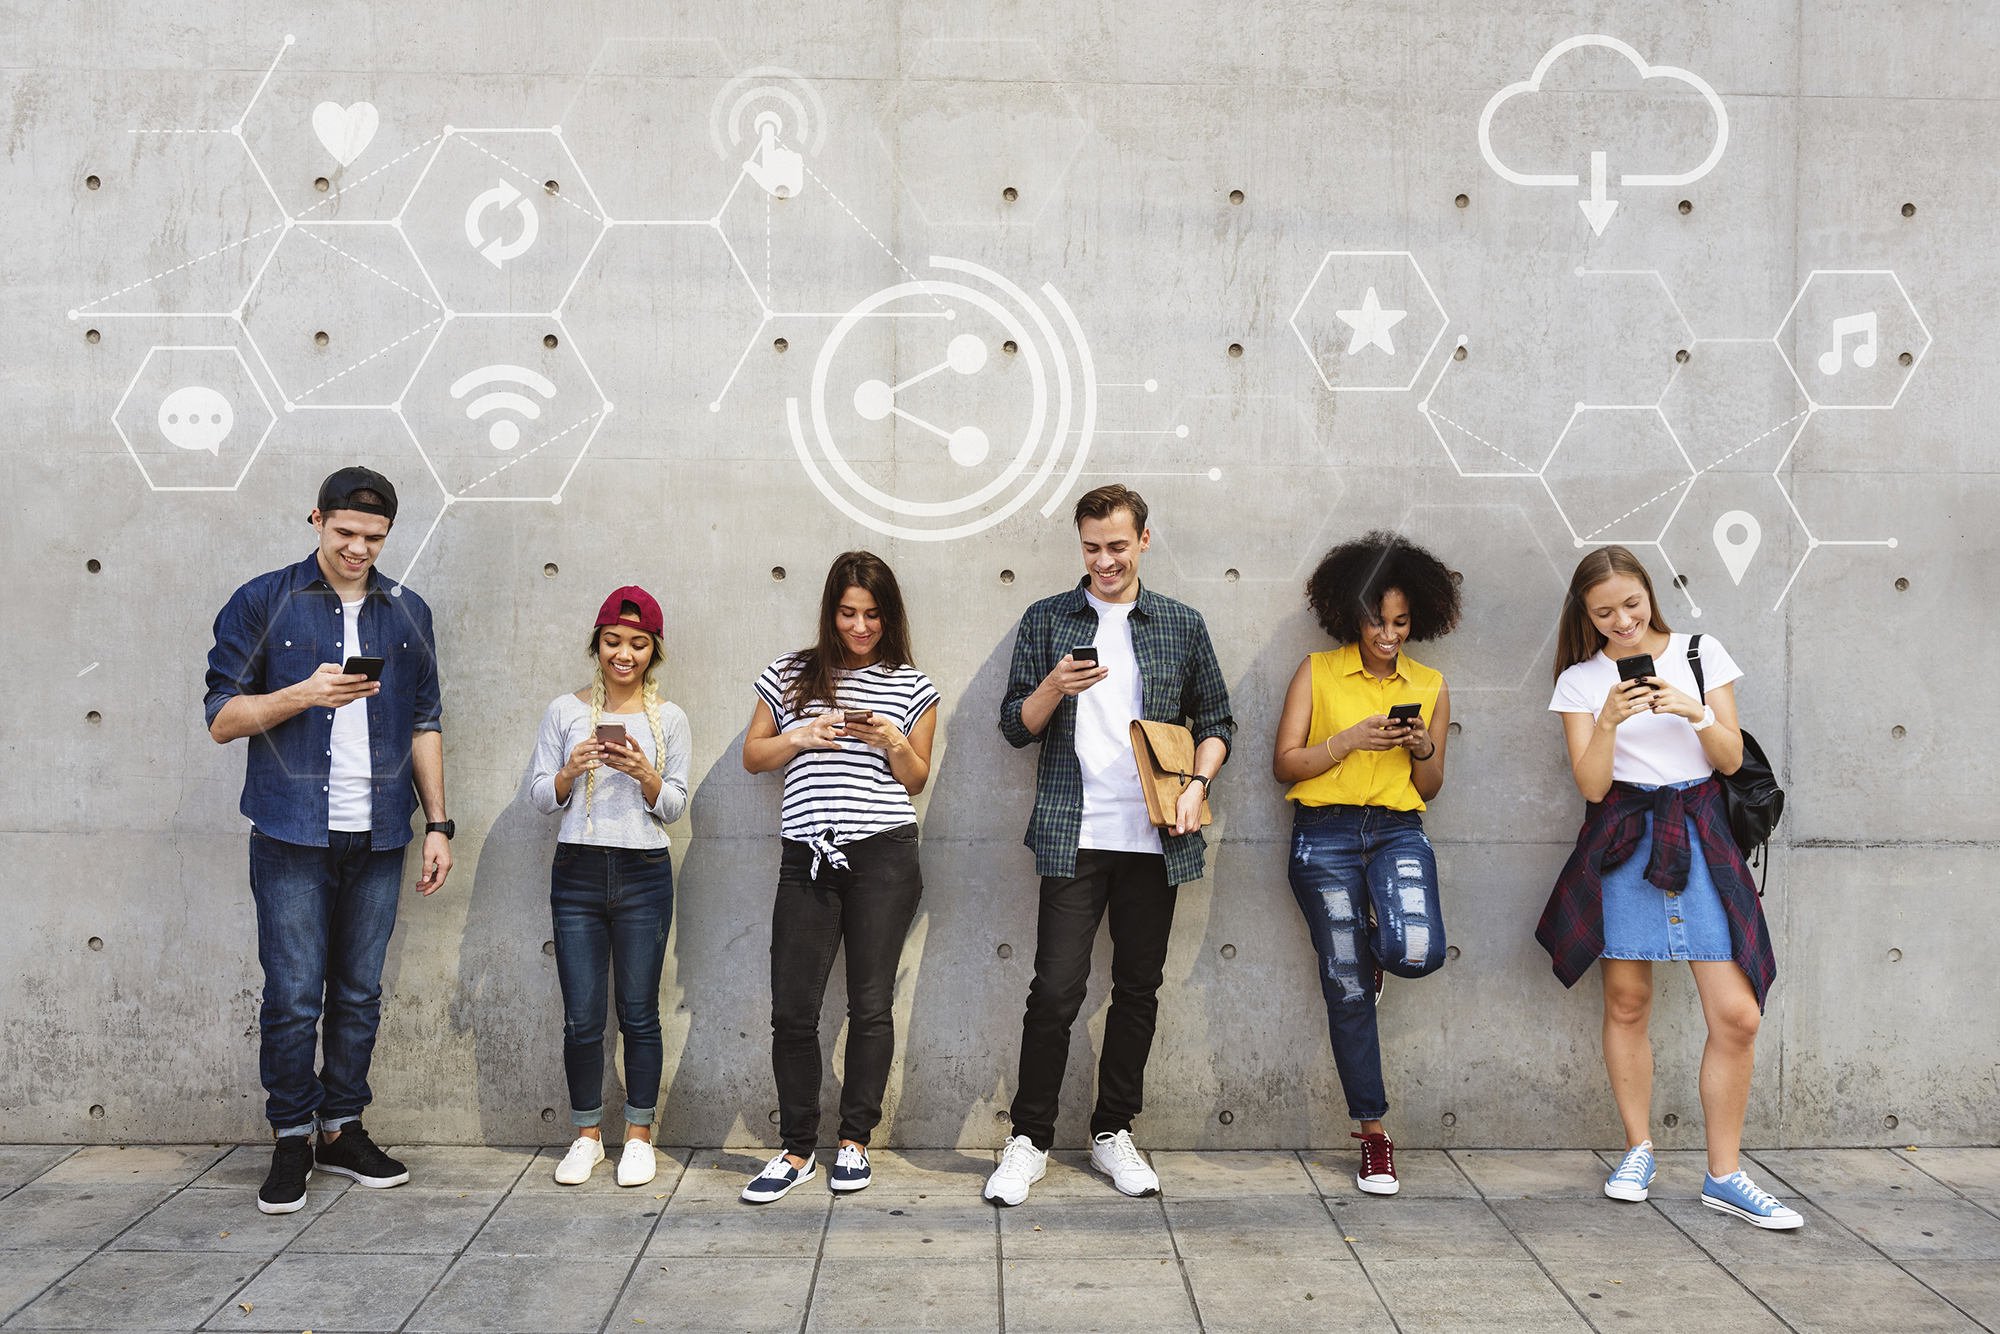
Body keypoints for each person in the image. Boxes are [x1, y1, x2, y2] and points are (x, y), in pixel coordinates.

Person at [204, 467, 453, 1215]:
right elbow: (221, 717)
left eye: (373, 539)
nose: (358, 549)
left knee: (358, 993)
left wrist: (437, 823)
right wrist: (303, 693)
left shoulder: (408, 612)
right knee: (290, 995)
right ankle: (290, 1136)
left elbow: (425, 721)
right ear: (316, 520)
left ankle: (341, 1128)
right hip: (290, 834)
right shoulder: (263, 600)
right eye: (344, 533)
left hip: (379, 834)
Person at [984, 484, 1234, 1207]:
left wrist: (1195, 785)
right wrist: (1053, 688)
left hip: (1155, 836)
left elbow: (1217, 720)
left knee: (1137, 990)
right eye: (1092, 547)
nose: (1104, 560)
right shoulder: (1047, 619)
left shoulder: (1180, 625)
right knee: (1055, 991)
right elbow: (1013, 727)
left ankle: (1112, 1132)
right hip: (1075, 831)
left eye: (1117, 546)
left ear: (1143, 542)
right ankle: (1028, 1139)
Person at [1540, 546, 1800, 1229]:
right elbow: (1593, 786)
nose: (1623, 622)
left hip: (1702, 830)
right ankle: (1638, 1149)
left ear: (1650, 594)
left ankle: (1725, 1174)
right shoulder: (1580, 679)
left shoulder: (1699, 651)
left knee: (1738, 1016)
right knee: (1627, 1002)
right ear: (1586, 616)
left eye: (1632, 604)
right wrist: (1607, 720)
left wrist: (1693, 711)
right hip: (1624, 835)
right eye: (1604, 613)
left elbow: (1732, 759)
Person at [737, 552, 939, 1202]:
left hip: (884, 853)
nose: (859, 627)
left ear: (889, 616)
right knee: (792, 1012)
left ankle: (854, 1142)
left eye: (872, 615)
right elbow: (752, 757)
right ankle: (796, 1149)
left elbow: (916, 779)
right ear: (831, 611)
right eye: (848, 613)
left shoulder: (912, 685)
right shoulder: (791, 672)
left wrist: (892, 741)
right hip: (808, 855)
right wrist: (802, 735)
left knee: (870, 1005)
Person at [1270, 532, 1458, 1196]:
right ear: (1353, 614)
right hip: (1323, 834)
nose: (1389, 633)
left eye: (1402, 622)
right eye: (1378, 619)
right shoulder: (1316, 672)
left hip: (1398, 831)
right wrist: (1347, 742)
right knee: (1347, 986)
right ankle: (1373, 1136)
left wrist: (1422, 743)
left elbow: (1430, 785)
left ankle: (1379, 953)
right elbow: (1284, 764)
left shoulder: (1429, 685)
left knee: (1417, 949)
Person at [530, 587, 692, 1188]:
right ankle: (587, 1135)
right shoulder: (563, 711)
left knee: (639, 1013)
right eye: (613, 642)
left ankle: (640, 1137)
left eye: (638, 644)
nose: (624, 654)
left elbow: (674, 807)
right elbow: (540, 798)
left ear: (653, 651)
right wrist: (571, 772)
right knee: (581, 1016)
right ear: (596, 645)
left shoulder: (668, 718)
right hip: (576, 870)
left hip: (644, 873)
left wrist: (647, 776)